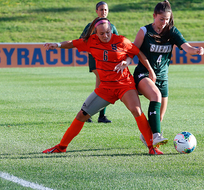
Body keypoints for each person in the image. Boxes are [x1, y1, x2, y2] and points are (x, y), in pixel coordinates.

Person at [42, 17, 163, 155]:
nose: (105, 36)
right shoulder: (91, 42)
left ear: (111, 29)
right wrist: (57, 45)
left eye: (108, 32)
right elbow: (73, 43)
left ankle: (152, 147)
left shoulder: (121, 41)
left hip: (124, 85)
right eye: (102, 34)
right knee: (82, 115)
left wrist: (149, 70)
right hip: (105, 88)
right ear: (96, 33)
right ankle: (61, 147)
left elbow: (138, 53)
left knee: (136, 110)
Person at [132, 0, 204, 148]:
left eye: (167, 19)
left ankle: (147, 135)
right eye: (161, 19)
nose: (164, 22)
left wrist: (196, 50)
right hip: (144, 74)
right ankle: (157, 136)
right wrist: (126, 62)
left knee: (160, 117)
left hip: (163, 77)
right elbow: (134, 51)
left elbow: (186, 47)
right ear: (154, 16)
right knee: (155, 96)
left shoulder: (172, 32)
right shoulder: (144, 31)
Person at [80, 1, 118, 123]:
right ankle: (92, 114)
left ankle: (90, 114)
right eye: (101, 10)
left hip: (106, 63)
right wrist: (92, 50)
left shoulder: (111, 27)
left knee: (101, 87)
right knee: (103, 86)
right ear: (96, 11)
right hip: (96, 61)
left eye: (105, 10)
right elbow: (82, 41)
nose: (103, 12)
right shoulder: (90, 26)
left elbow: (117, 43)